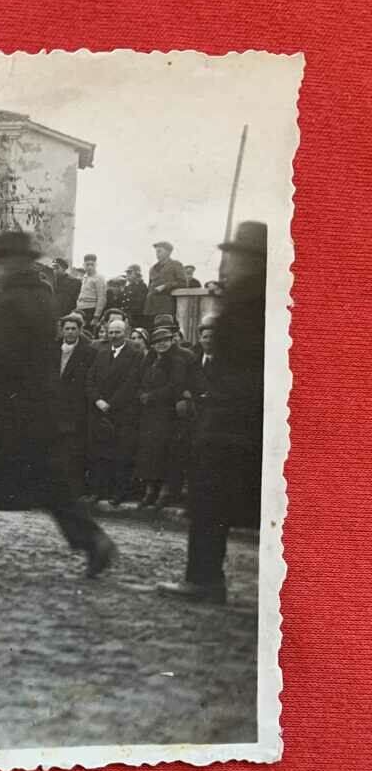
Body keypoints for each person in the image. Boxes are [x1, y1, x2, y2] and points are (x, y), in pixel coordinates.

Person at [0, 231, 115, 575]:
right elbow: (7, 324)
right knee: (42, 483)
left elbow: (2, 349)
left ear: (12, 262)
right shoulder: (37, 294)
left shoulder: (16, 299)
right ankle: (91, 540)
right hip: (32, 409)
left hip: (9, 410)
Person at [158, 221, 266, 604]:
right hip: (248, 417)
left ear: (249, 260)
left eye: (233, 257)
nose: (228, 263)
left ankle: (203, 579)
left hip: (231, 418)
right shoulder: (262, 296)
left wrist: (222, 306)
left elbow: (226, 349)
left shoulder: (246, 300)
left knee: (208, 500)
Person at [85, 317, 142, 505]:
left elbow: (131, 383)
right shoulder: (101, 353)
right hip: (100, 410)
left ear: (125, 333)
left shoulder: (134, 354)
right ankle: (98, 491)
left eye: (118, 332)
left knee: (121, 454)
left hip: (121, 412)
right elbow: (90, 380)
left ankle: (119, 493)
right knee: (100, 453)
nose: (114, 336)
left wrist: (111, 403)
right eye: (111, 332)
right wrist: (98, 400)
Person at [134, 327, 187, 507]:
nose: (161, 344)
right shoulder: (149, 360)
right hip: (149, 413)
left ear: (172, 341)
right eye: (157, 342)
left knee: (165, 452)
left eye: (165, 340)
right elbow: (139, 380)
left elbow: (175, 386)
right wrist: (141, 394)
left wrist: (152, 396)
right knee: (149, 452)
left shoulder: (177, 361)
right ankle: (150, 490)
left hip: (166, 413)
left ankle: (164, 493)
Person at [53, 312, 95, 498]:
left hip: (75, 407)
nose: (70, 332)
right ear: (62, 330)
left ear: (80, 330)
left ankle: (74, 490)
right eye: (67, 328)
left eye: (73, 329)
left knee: (74, 449)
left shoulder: (88, 351)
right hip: (55, 406)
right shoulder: (53, 348)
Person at [144, 241, 187, 323]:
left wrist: (165, 286)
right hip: (150, 307)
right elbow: (150, 286)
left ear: (168, 252)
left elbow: (183, 283)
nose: (157, 254)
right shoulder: (153, 268)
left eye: (159, 251)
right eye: (156, 252)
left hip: (166, 307)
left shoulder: (175, 265)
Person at [75, 253, 108, 331]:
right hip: (81, 309)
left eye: (92, 264)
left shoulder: (99, 278)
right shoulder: (85, 277)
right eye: (87, 264)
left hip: (91, 310)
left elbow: (101, 298)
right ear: (84, 265)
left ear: (96, 265)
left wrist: (96, 316)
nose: (89, 267)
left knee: (88, 333)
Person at [119, 264, 148, 329]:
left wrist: (129, 316)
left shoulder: (142, 286)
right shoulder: (128, 287)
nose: (127, 275)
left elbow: (140, 303)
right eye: (127, 273)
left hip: (137, 318)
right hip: (127, 317)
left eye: (130, 273)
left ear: (137, 274)